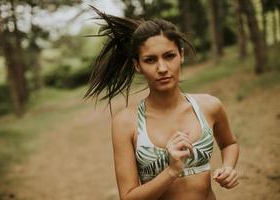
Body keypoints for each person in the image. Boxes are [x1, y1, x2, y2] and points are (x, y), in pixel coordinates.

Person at [85, 6, 239, 200]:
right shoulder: (126, 123)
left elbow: (229, 143)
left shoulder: (209, 106)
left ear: (181, 55)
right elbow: (128, 197)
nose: (162, 68)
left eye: (169, 56)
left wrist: (228, 167)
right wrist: (171, 171)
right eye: (150, 60)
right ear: (137, 65)